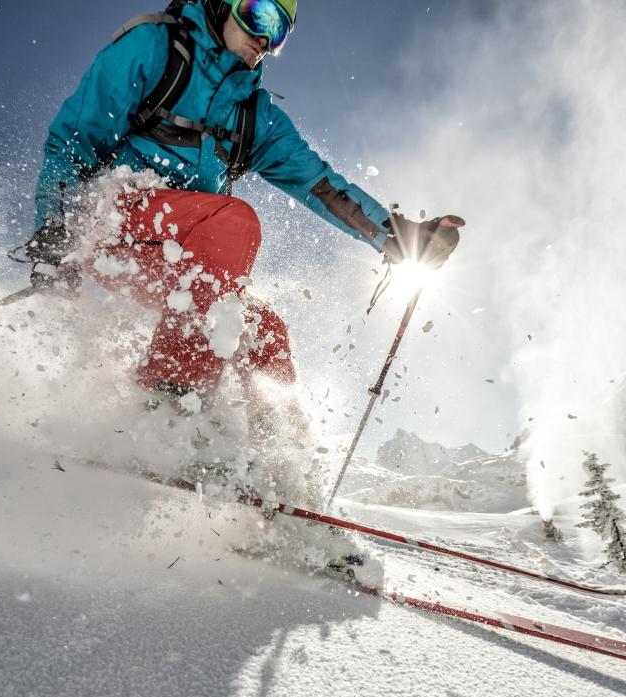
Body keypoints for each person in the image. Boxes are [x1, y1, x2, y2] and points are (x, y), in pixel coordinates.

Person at [28, 0, 463, 411]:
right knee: (233, 221)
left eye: (279, 34)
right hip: (110, 218)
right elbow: (72, 143)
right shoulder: (154, 47)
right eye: (259, 15)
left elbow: (321, 185)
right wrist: (53, 232)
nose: (264, 39)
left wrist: (396, 235)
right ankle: (166, 404)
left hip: (182, 251)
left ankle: (271, 459)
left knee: (263, 333)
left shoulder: (256, 116)